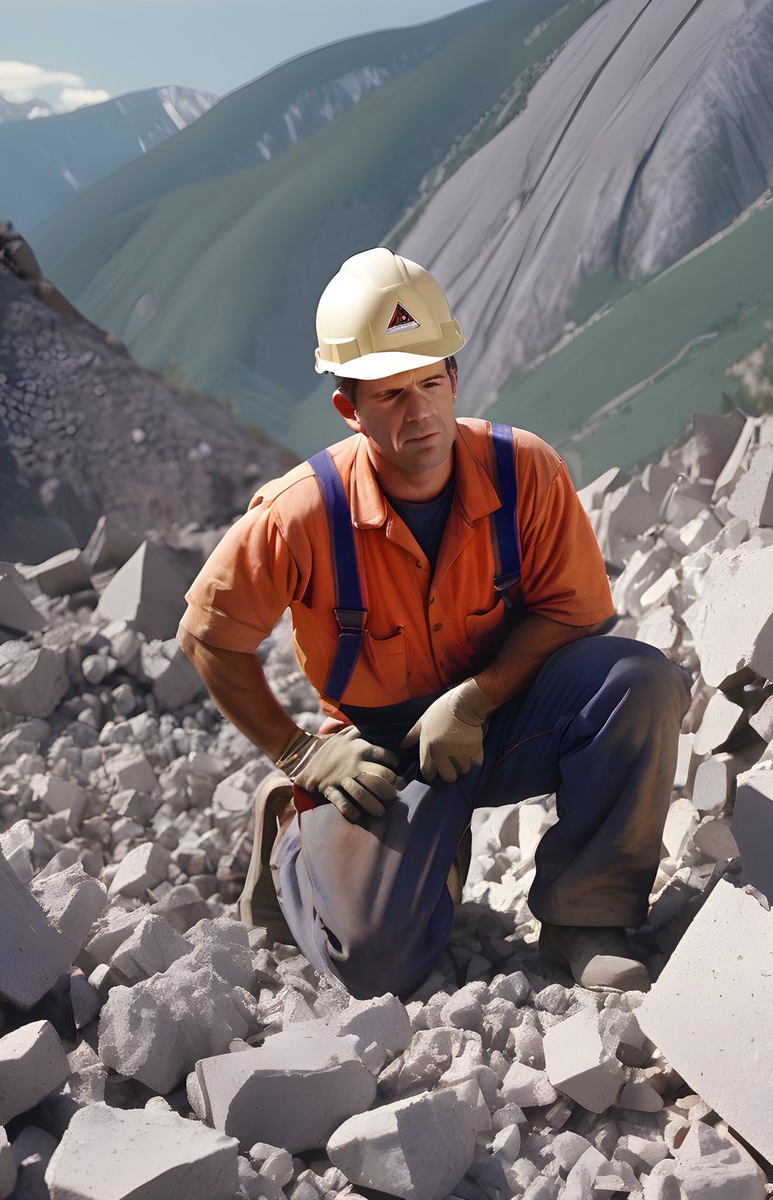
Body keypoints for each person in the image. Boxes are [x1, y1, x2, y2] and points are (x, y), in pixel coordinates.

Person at [177, 247, 690, 1000]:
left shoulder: (526, 473)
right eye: (389, 394)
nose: (420, 413)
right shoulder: (302, 513)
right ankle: (296, 834)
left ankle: (587, 916)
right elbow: (207, 635)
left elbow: (575, 611)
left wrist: (476, 698)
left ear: (454, 376)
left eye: (429, 382)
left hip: (501, 717)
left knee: (637, 682)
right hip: (378, 750)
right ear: (348, 408)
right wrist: (297, 756)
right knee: (379, 965)